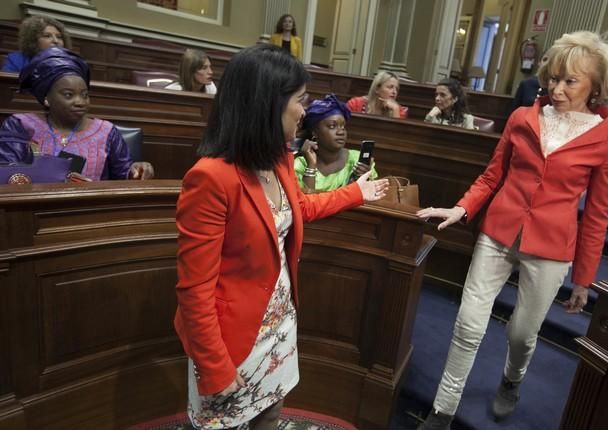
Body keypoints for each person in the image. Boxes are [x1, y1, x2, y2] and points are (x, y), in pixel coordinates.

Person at [416, 31, 608, 430]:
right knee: (468, 323)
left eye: (570, 81)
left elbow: (598, 212)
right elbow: (492, 175)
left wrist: (584, 279)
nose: (556, 88)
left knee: (522, 333)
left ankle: (511, 380)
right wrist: (461, 208)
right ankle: (442, 410)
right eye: (554, 77)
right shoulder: (522, 117)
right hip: (498, 233)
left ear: (596, 87)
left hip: (550, 246)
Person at [173, 44, 388, 430]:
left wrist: (357, 193)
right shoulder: (211, 178)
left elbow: (298, 209)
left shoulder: (278, 157)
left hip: (278, 322)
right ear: (266, 104)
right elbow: (195, 289)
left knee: (270, 414)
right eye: (300, 100)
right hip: (232, 338)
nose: (305, 111)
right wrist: (215, 366)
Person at [0, 47, 154, 181]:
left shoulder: (107, 132)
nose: (80, 102)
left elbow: (123, 173)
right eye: (68, 95)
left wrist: (136, 169)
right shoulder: (20, 125)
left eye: (85, 95)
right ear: (46, 98)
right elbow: (8, 172)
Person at [294, 94, 378, 192]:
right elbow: (305, 202)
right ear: (315, 132)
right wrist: (311, 166)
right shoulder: (300, 165)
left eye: (343, 126)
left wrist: (363, 179)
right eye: (332, 126)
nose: (341, 132)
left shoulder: (357, 160)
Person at [1, 15, 72, 73]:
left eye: (59, 37)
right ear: (33, 40)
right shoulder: (16, 60)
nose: (56, 41)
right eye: (47, 36)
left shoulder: (71, 62)